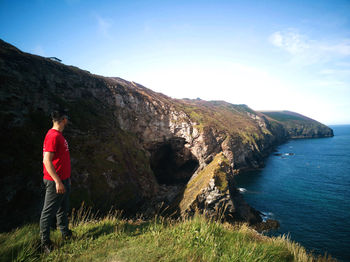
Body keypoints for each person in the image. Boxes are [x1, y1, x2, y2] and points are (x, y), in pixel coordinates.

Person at [40, 110, 72, 253]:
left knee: (62, 209)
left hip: (64, 179)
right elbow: (46, 161)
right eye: (67, 119)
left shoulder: (58, 135)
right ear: (64, 120)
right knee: (48, 212)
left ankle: (66, 234)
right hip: (55, 181)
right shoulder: (52, 136)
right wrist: (58, 181)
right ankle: (45, 243)